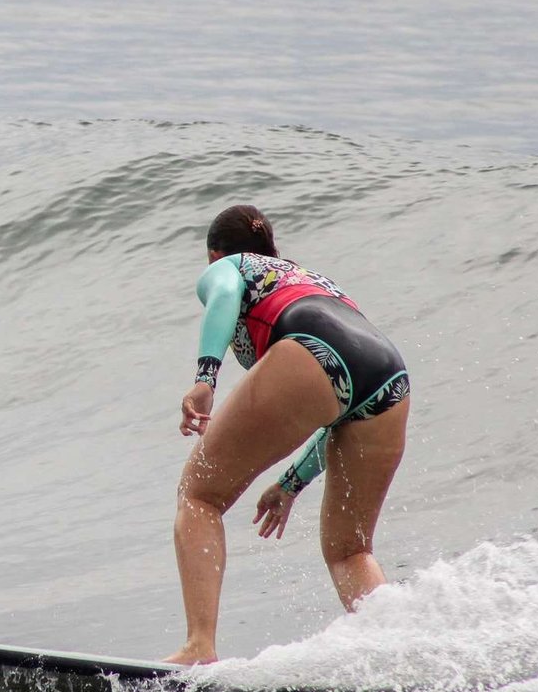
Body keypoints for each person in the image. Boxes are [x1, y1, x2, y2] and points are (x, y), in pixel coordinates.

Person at [164, 204, 411, 665]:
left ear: (214, 254)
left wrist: (205, 378)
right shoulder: (308, 278)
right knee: (349, 549)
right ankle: (397, 656)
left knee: (199, 497)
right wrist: (290, 484)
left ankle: (199, 647)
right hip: (388, 375)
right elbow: (340, 400)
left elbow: (222, 296)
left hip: (311, 344)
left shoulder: (229, 267)